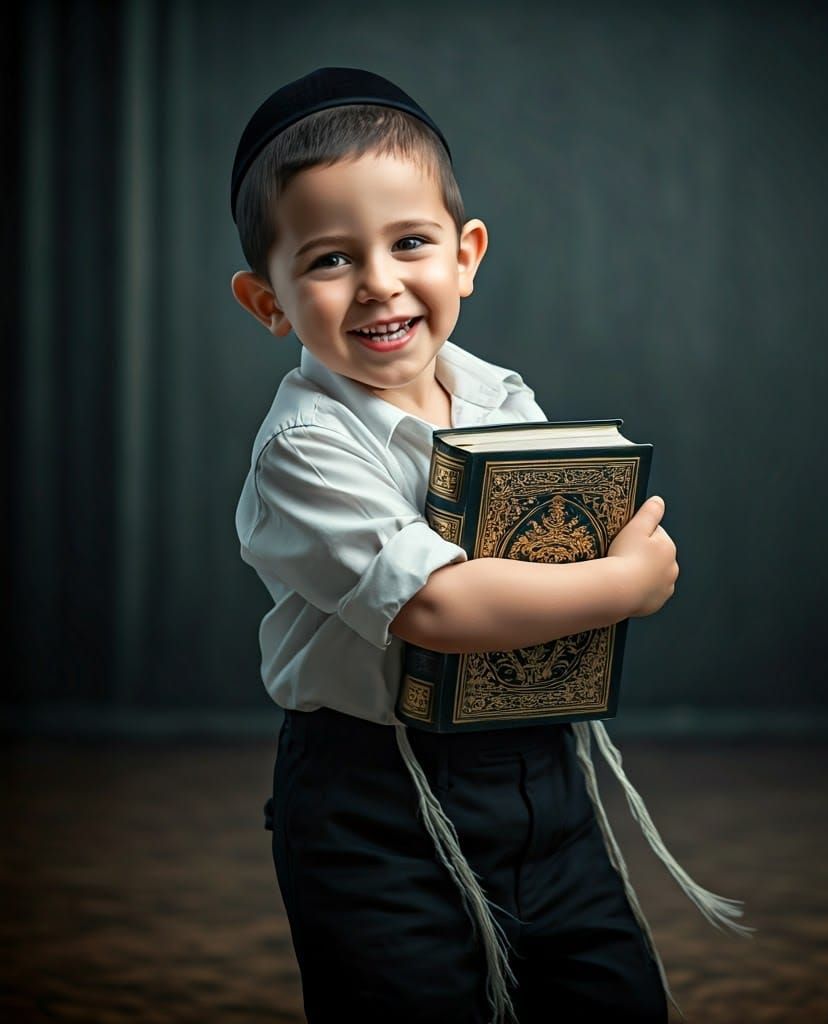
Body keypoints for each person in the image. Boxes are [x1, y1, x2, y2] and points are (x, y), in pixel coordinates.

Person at [230, 67, 751, 1024]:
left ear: (465, 255)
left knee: (611, 997)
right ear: (269, 303)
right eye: (331, 259)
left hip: (539, 778)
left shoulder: (500, 398)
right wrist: (623, 583)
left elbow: (541, 560)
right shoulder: (304, 446)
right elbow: (434, 606)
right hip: (373, 799)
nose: (380, 282)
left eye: (410, 242)